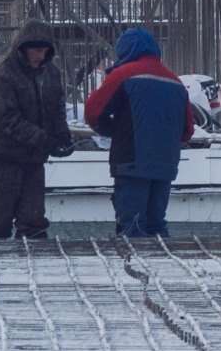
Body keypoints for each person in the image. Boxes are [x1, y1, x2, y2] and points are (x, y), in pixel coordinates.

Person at [83, 28, 193, 238]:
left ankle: (135, 260)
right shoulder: (176, 82)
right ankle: (162, 259)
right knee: (156, 225)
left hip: (132, 162)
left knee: (132, 228)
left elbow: (92, 111)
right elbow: (187, 131)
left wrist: (112, 130)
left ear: (125, 51)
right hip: (165, 165)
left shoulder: (123, 75)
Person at [0, 20, 74, 239]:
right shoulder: (1, 75)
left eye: (45, 51)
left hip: (32, 158)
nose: (41, 56)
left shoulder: (51, 74)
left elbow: (57, 109)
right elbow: (8, 119)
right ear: (23, 48)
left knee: (33, 222)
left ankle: (33, 259)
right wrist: (44, 140)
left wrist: (62, 134)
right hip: (1, 159)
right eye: (37, 51)